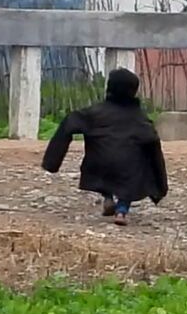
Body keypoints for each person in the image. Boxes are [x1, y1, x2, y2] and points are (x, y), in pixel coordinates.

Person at [41, 68, 168, 226]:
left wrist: (52, 162)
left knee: (104, 164)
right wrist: (160, 185)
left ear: (109, 87)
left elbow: (68, 123)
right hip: (127, 170)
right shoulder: (140, 119)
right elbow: (153, 145)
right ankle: (121, 210)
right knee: (135, 165)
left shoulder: (93, 113)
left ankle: (108, 198)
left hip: (98, 165)